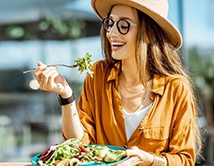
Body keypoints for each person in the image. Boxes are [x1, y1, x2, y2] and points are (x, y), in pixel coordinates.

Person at [34, 0, 202, 165]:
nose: (111, 33)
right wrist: (66, 96)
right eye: (110, 23)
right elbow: (79, 147)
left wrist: (150, 160)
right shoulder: (96, 76)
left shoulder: (175, 88)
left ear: (149, 33)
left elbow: (184, 159)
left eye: (123, 25)